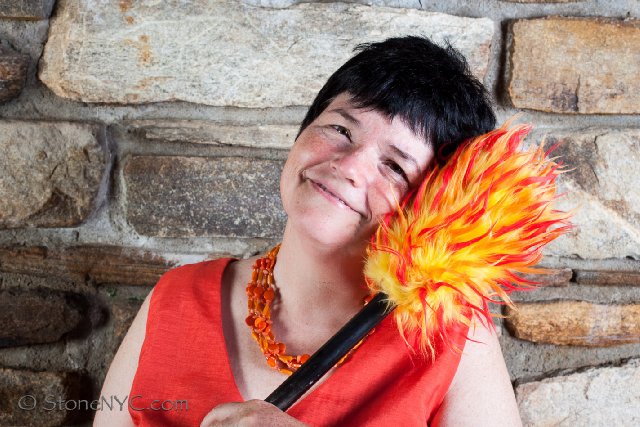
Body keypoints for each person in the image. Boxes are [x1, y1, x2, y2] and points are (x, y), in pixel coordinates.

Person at [95, 36, 523, 426]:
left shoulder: (453, 340)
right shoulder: (175, 298)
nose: (349, 166)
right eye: (340, 129)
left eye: (394, 166)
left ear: (430, 208)